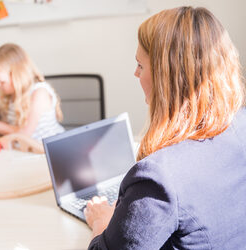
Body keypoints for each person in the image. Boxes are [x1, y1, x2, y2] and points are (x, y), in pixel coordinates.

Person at [85, 6, 246, 249]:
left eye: (141, 65)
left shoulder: (158, 179)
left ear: (164, 77)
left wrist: (102, 222)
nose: (136, 73)